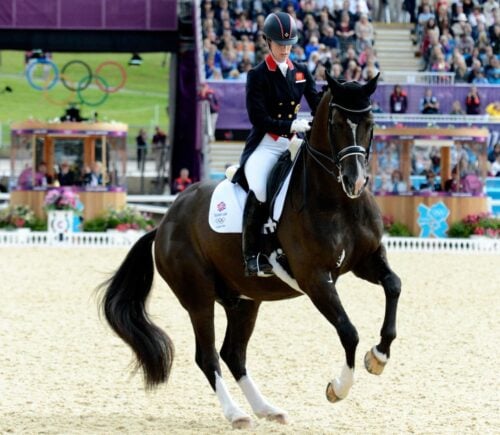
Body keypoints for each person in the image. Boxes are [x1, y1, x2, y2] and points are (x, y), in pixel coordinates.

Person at [231, 11, 321, 277]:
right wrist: (290, 126)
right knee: (259, 188)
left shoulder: (302, 72)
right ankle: (251, 256)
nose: (285, 49)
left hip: (292, 143)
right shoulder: (257, 75)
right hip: (266, 144)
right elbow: (257, 117)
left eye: (289, 44)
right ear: (267, 43)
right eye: (280, 44)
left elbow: (316, 104)